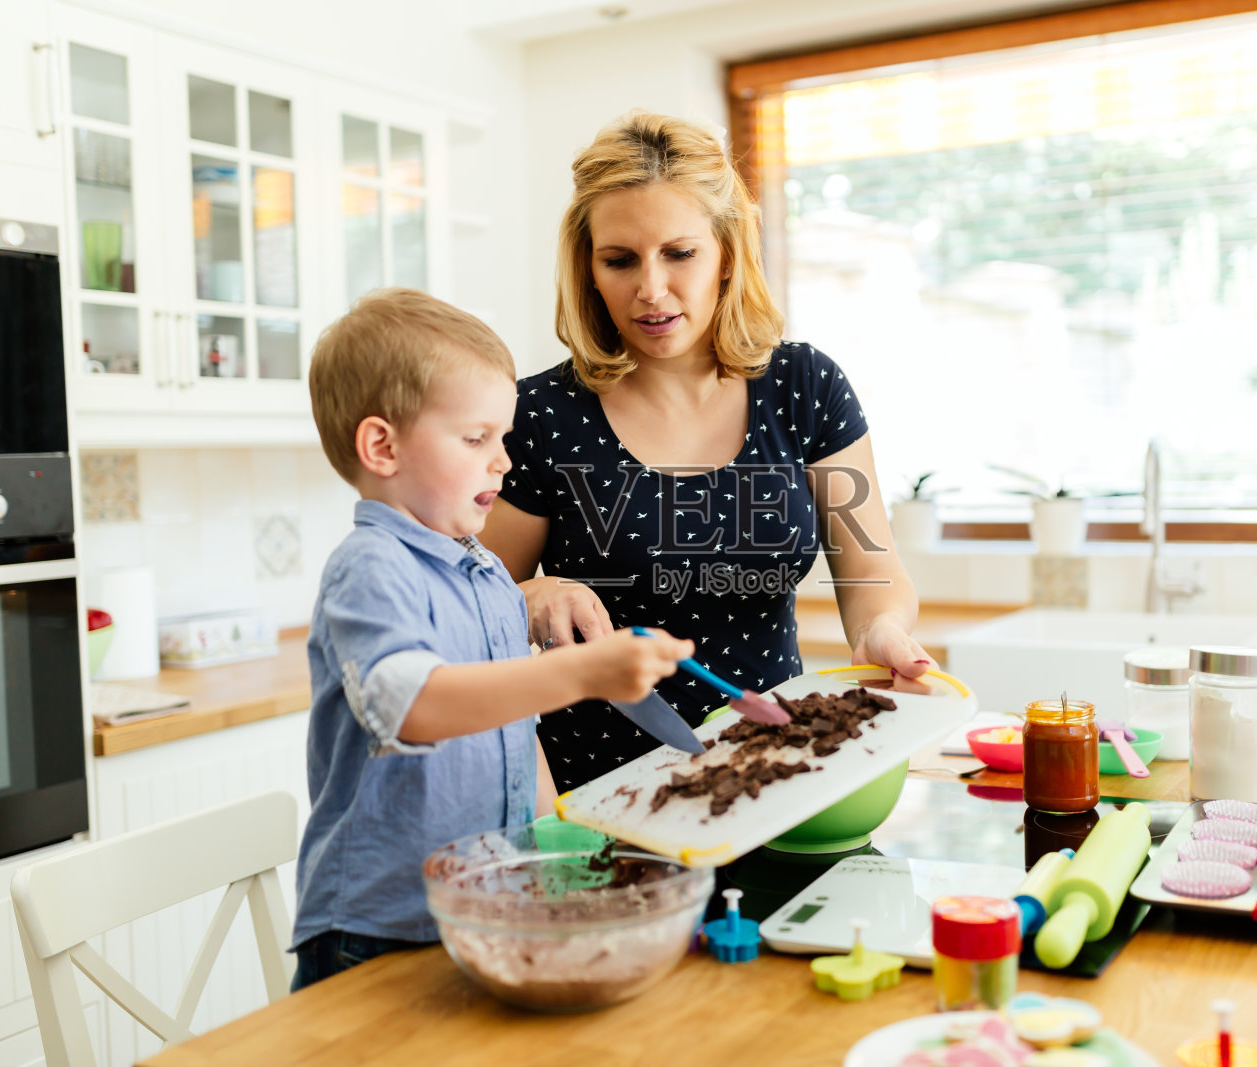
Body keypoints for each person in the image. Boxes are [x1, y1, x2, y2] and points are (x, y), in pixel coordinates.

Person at [485, 113, 931, 793]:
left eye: (680, 253)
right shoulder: (540, 415)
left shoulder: (804, 387)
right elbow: (464, 611)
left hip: (773, 775)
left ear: (726, 252)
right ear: (588, 268)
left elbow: (874, 577)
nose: (652, 288)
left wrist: (882, 633)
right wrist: (530, 593)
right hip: (597, 798)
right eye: (620, 259)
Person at [291, 288, 692, 989]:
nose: (502, 461)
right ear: (381, 445)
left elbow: (517, 735)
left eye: (501, 439)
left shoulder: (487, 577)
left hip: (484, 910)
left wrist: (561, 854)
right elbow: (412, 704)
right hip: (378, 927)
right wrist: (582, 674)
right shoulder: (371, 566)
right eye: (476, 439)